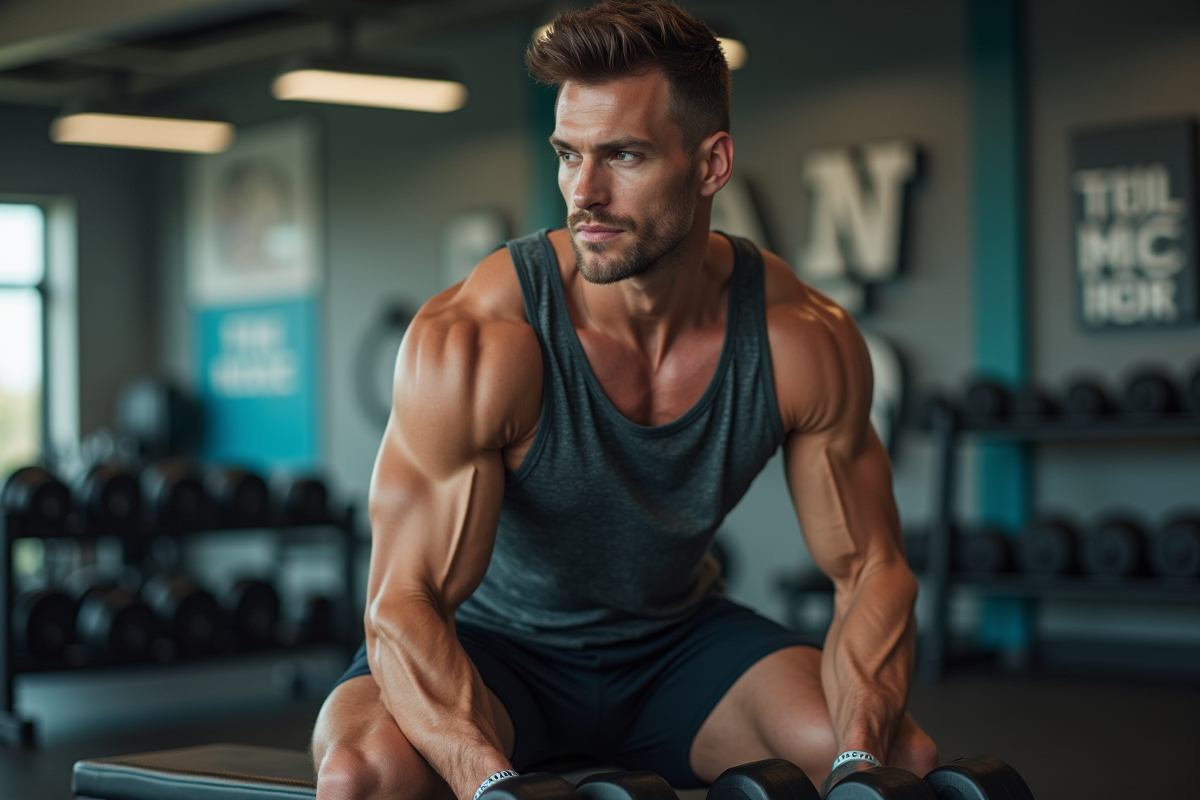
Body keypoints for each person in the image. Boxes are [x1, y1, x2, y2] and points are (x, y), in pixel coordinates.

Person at [312, 3, 937, 799]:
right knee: (363, 775)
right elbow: (404, 603)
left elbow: (873, 570)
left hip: (675, 649)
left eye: (625, 156)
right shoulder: (482, 339)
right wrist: (492, 783)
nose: (586, 193)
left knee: (900, 767)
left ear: (711, 164)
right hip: (491, 648)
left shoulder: (798, 339)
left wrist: (856, 762)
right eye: (568, 155)